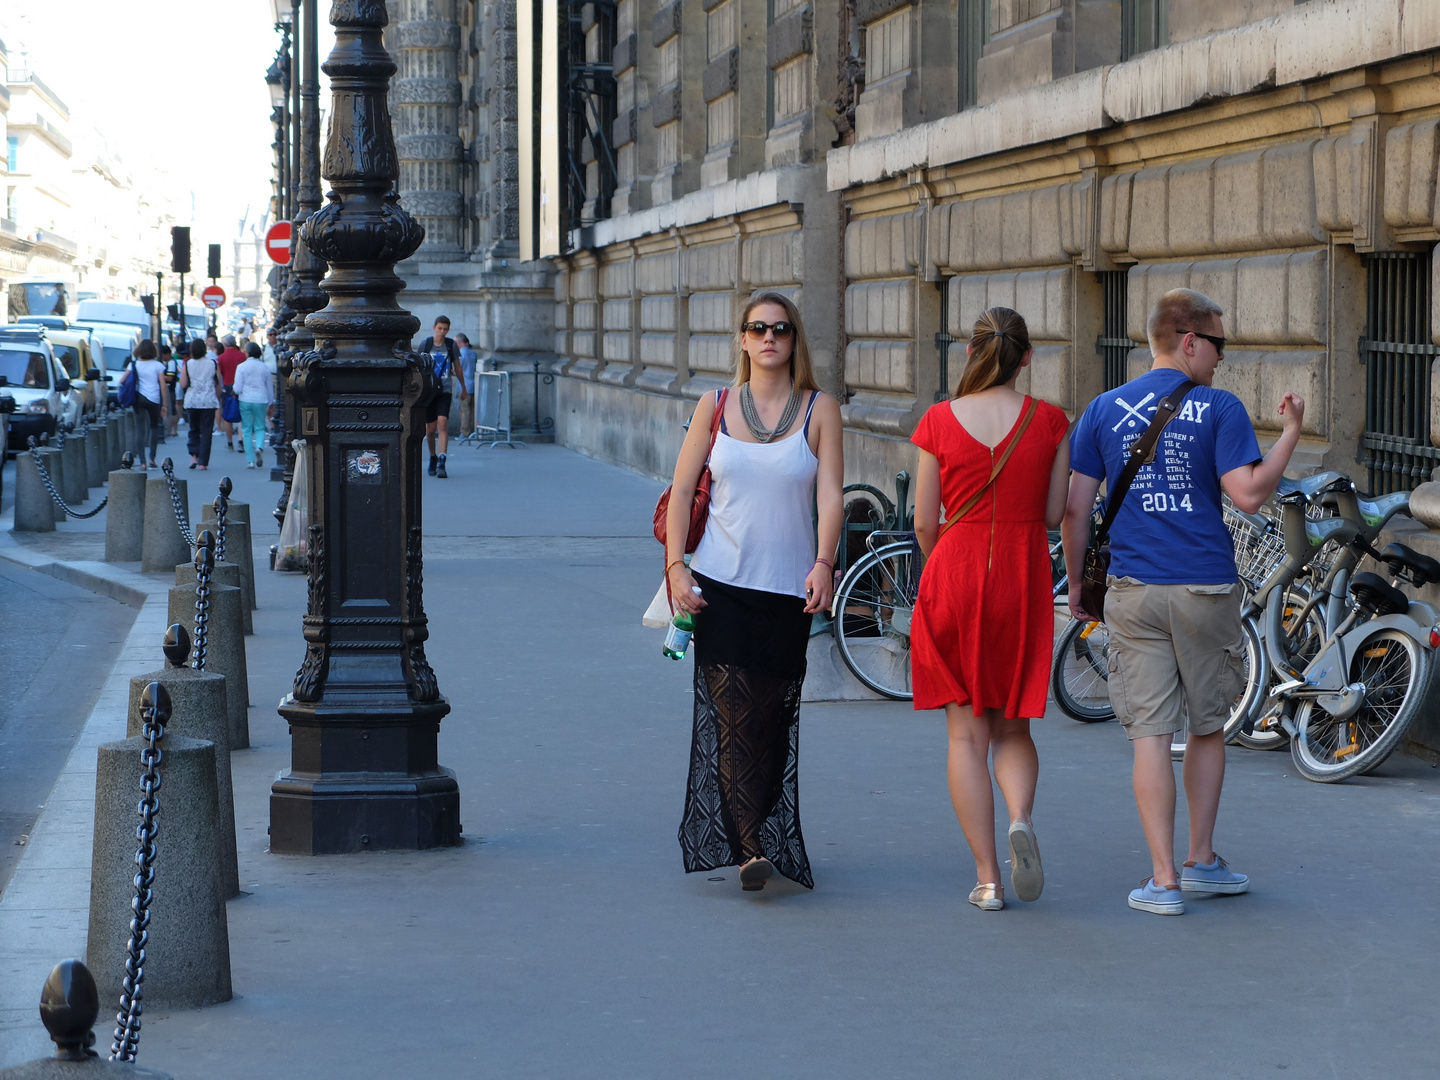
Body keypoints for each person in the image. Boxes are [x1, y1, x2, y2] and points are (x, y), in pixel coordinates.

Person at [1063, 288, 1305, 916]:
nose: (1223, 358)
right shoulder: (1220, 409)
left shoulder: (1101, 410)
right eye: (1219, 343)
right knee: (1206, 728)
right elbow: (1250, 495)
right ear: (1189, 340)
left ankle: (1163, 880)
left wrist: (1078, 586)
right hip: (1203, 585)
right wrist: (1290, 435)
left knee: (1149, 734)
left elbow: (1074, 510)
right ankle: (1201, 860)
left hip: (1134, 590)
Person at [668, 289, 843, 894]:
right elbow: (682, 486)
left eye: (781, 329)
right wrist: (676, 569)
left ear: (794, 341)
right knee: (735, 717)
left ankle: (757, 820)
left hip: (788, 592)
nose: (769, 337)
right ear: (742, 340)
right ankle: (749, 848)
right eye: (757, 328)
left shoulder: (820, 409)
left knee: (772, 717)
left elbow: (829, 498)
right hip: (720, 587)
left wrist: (824, 563)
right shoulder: (713, 405)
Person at [909, 308, 1071, 912]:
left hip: (954, 570)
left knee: (964, 733)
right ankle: (1020, 817)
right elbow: (1055, 514)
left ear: (972, 352)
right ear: (1026, 357)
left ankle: (987, 879)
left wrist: (946, 559)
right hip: (1021, 576)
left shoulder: (938, 421)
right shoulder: (1050, 421)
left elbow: (925, 519)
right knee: (1013, 727)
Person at [424, 316, 461, 477]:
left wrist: (463, 388)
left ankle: (442, 461)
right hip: (429, 391)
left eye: (445, 329)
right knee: (430, 429)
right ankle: (433, 456)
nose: (442, 332)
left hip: (445, 390)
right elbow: (419, 368)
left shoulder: (451, 345)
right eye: (440, 328)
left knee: (443, 423)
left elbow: (458, 367)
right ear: (434, 328)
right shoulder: (426, 344)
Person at [233, 342, 276, 469]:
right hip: (261, 399)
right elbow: (269, 387)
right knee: (260, 426)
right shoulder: (265, 367)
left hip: (245, 399)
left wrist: (236, 392)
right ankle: (260, 447)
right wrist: (271, 401)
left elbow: (237, 388)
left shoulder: (241, 367)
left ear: (247, 352)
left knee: (246, 429)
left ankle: (250, 460)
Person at [180, 338, 219, 470]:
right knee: (207, 431)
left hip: (192, 400)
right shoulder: (212, 363)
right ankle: (203, 462)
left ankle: (194, 455)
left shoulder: (188, 364)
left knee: (194, 429)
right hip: (208, 401)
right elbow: (218, 383)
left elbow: (183, 384)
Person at [130, 340, 169, 470]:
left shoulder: (134, 365)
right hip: (154, 399)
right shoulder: (157, 365)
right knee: (154, 427)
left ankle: (142, 461)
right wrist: (165, 404)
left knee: (140, 429)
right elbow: (163, 386)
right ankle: (152, 458)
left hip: (139, 398)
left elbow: (123, 380)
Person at [215, 333, 246, 451]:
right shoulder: (242, 356)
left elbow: (218, 376)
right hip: (241, 387)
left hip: (227, 387)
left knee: (228, 415)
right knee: (242, 414)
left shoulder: (221, 358)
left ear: (224, 344)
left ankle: (229, 443)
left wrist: (219, 388)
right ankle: (241, 440)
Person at [456, 332, 477, 437]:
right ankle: (473, 431)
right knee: (472, 410)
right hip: (473, 384)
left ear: (459, 342)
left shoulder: (460, 354)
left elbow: (458, 370)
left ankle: (464, 432)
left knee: (464, 410)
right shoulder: (473, 353)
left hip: (463, 385)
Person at [159, 343, 181, 437]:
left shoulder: (171, 363)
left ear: (167, 354)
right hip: (170, 388)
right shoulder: (169, 362)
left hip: (170, 389)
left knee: (172, 409)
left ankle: (174, 429)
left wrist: (159, 376)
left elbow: (170, 378)